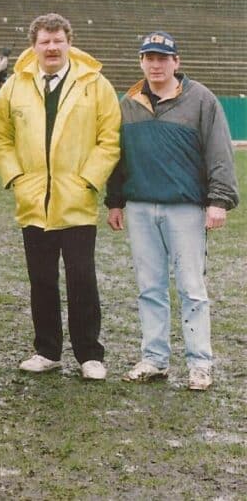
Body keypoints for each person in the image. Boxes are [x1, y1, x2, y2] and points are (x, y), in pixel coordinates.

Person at [0, 13, 121, 380]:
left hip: (76, 200)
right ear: (34, 45)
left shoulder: (96, 84)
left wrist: (88, 180)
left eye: (58, 40)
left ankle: (89, 354)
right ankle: (47, 350)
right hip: (34, 201)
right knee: (41, 279)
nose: (51, 47)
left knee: (81, 278)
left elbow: (109, 139)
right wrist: (17, 177)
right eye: (44, 41)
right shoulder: (15, 85)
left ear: (68, 42)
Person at [106, 31, 239, 391]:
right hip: (140, 207)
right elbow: (118, 157)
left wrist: (219, 200)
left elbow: (219, 153)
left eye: (163, 58)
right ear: (141, 62)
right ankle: (154, 358)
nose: (156, 64)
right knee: (149, 288)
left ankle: (199, 363)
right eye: (149, 58)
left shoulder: (201, 99)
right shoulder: (129, 102)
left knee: (192, 288)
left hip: (185, 209)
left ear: (176, 62)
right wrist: (115, 200)